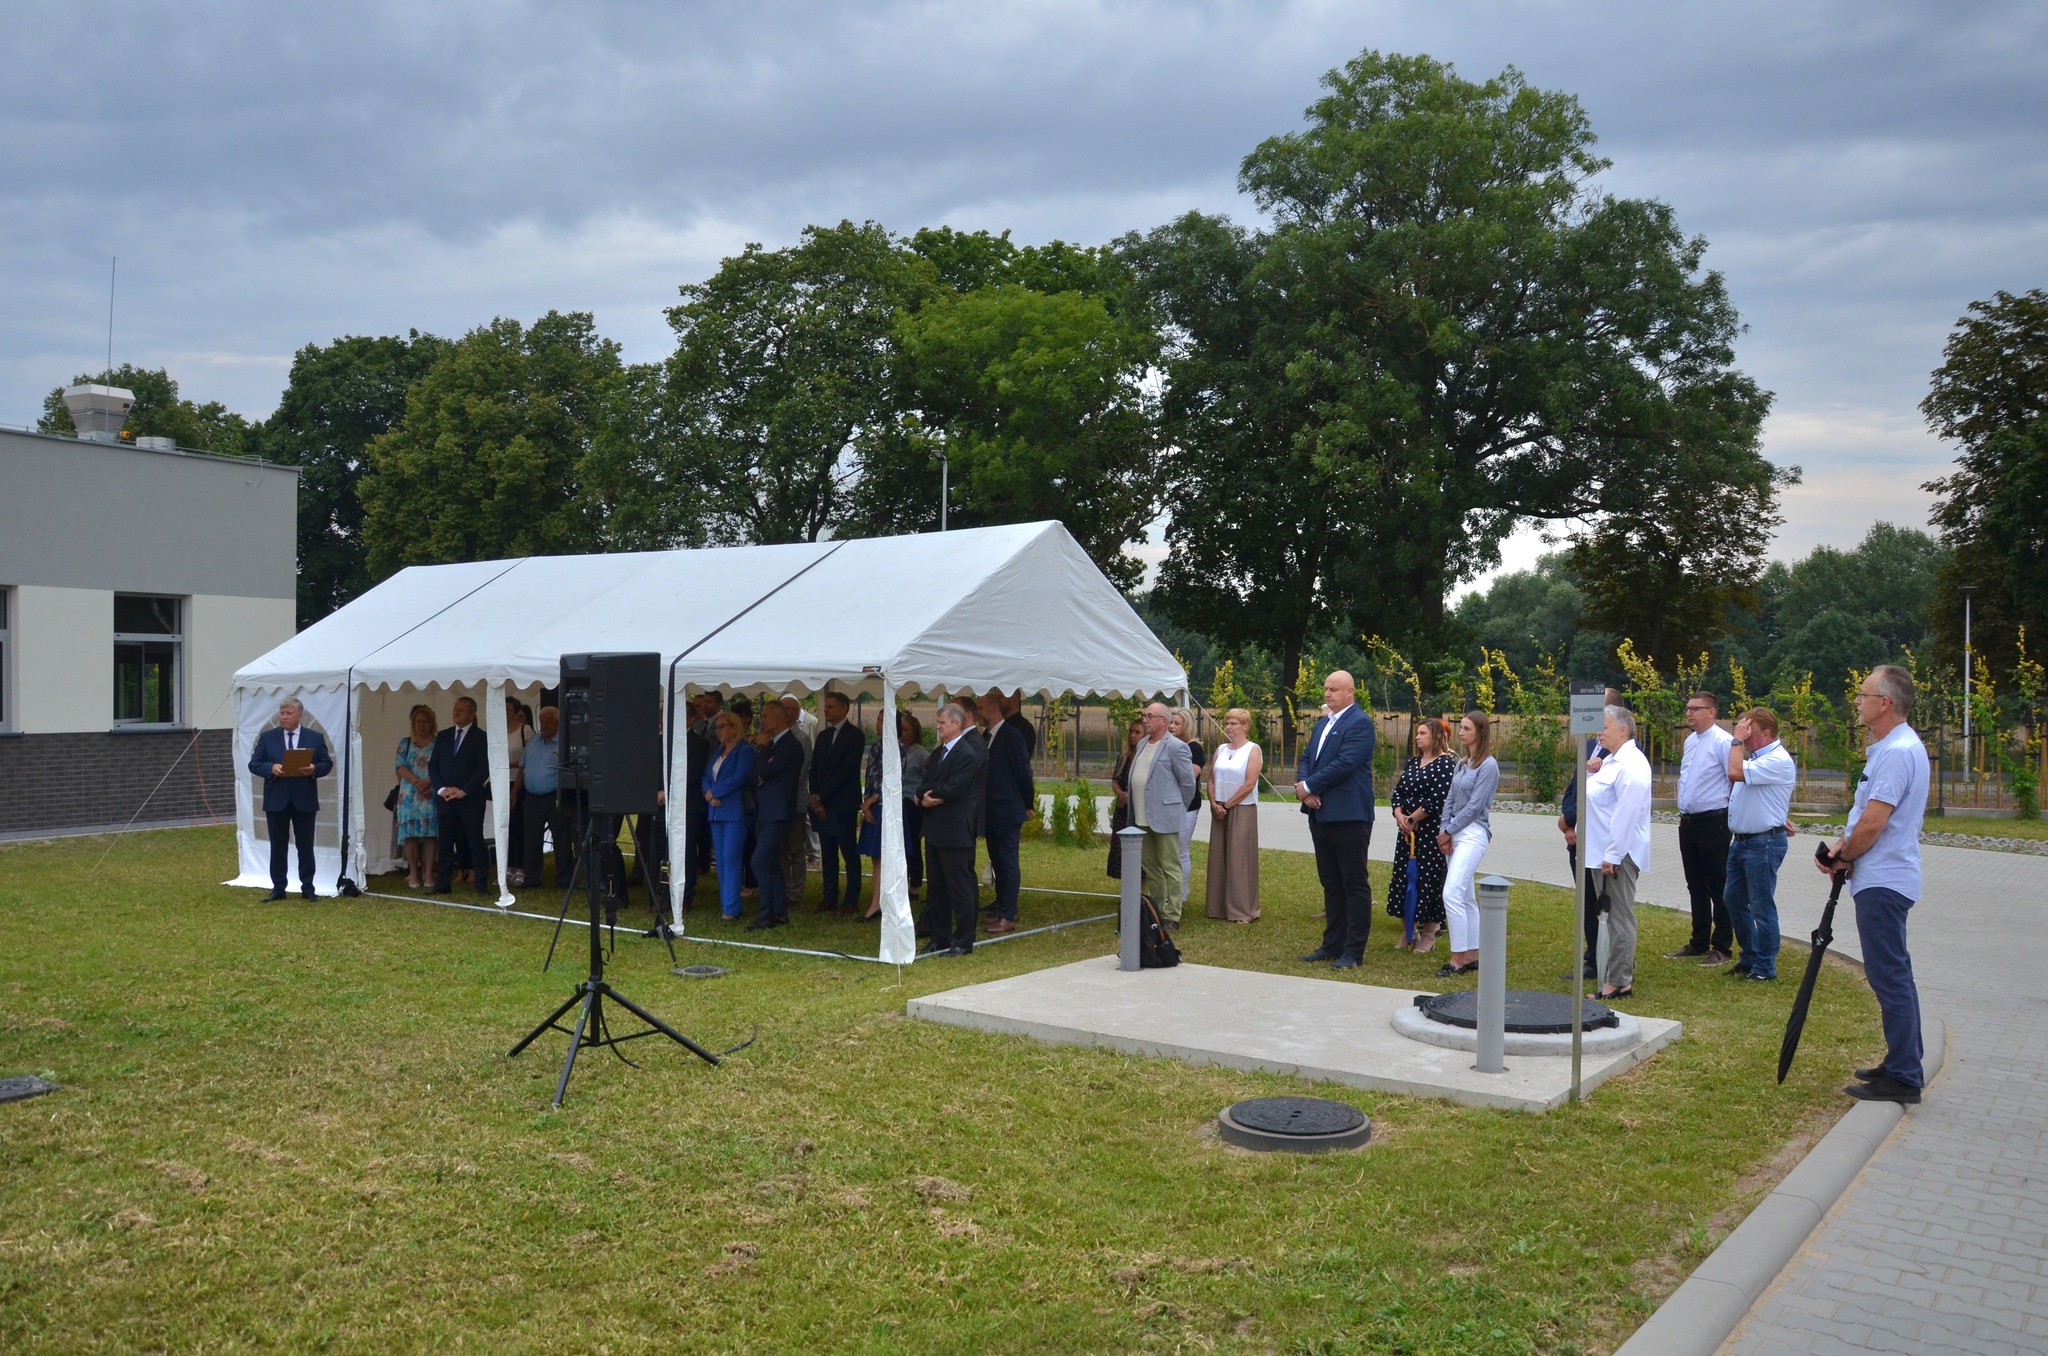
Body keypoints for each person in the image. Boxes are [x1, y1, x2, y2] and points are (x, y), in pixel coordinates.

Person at [1821, 665, 1929, 1104]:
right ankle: (1901, 1060)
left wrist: (1845, 856)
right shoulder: (1892, 748)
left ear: (1885, 703)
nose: (1859, 702)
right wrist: (1841, 855)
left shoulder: (1898, 752)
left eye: (1864, 695)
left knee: (1890, 977)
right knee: (1891, 976)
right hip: (1880, 876)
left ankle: (1904, 1075)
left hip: (1884, 880)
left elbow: (1874, 822)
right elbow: (1866, 819)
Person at [1294, 670, 1377, 969]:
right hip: (1321, 813)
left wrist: (1311, 786)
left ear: (1350, 692)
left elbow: (1346, 763)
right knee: (1331, 882)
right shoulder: (1322, 724)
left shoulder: (1360, 723)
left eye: (1334, 689)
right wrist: (1304, 788)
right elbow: (1307, 758)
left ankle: (1353, 951)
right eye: (1326, 689)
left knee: (1353, 883)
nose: (1328, 694)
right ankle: (1332, 944)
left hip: (1349, 814)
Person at [1723, 706, 1798, 982]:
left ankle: (1765, 967)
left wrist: (1735, 740)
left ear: (1766, 733)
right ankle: (1751, 956)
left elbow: (1733, 772)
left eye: (1749, 732)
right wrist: (1779, 816)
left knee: (1761, 906)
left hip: (1762, 843)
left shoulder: (1777, 759)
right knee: (1733, 899)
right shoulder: (1757, 758)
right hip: (1743, 842)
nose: (1745, 736)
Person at [1583, 705, 1652, 1000]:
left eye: (1605, 726)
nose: (1600, 732)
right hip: (1603, 853)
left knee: (1619, 917)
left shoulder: (1632, 763)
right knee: (1608, 917)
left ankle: (1620, 981)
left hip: (1617, 855)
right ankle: (1612, 975)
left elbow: (1626, 813)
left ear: (1623, 730)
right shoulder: (1611, 760)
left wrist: (1612, 855)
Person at [1559, 686, 1626, 980]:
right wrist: (1567, 821)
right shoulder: (1588, 746)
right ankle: (1592, 956)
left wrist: (1570, 819)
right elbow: (1575, 788)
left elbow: (1607, 797)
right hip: (1577, 834)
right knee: (1585, 900)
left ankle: (1610, 962)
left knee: (1604, 902)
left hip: (1600, 838)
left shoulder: (1621, 753)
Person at [1671, 690, 1737, 964]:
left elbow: (1734, 778)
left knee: (1717, 884)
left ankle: (1721, 945)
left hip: (1713, 821)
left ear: (1711, 712)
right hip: (1688, 821)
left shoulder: (1723, 742)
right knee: (1694, 884)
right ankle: (1698, 940)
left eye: (1695, 708)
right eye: (1688, 708)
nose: (1689, 713)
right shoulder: (1690, 742)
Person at [917, 702, 988, 956]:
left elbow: (954, 788)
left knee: (959, 888)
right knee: (936, 888)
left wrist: (929, 794)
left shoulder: (967, 754)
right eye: (938, 721)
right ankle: (940, 937)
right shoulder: (939, 754)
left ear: (957, 724)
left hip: (955, 831)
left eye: (942, 722)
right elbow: (923, 783)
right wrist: (923, 796)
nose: (938, 726)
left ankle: (963, 940)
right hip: (935, 830)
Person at [1435, 712, 1501, 978]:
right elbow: (1450, 799)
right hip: (1454, 832)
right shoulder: (1463, 762)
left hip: (1473, 833)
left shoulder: (1488, 766)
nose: (1460, 732)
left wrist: (1449, 830)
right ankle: (1472, 953)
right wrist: (1444, 832)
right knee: (1465, 897)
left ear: (1480, 732)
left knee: (1451, 892)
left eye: (1466, 728)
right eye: (1460, 727)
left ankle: (1457, 957)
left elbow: (1475, 807)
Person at [250, 696, 333, 900]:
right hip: (276, 798)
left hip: (303, 798)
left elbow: (326, 763)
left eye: (289, 713)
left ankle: (308, 888)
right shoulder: (268, 737)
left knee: (305, 845)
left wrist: (314, 768)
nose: (284, 717)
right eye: (282, 713)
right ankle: (278, 888)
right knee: (278, 845)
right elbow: (254, 763)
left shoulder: (314, 737)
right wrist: (271, 768)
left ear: (299, 715)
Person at [1386, 716, 1454, 952]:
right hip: (1406, 834)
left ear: (1435, 736)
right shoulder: (1413, 762)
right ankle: (1408, 930)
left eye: (1422, 733)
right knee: (1405, 878)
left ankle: (1429, 933)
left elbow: (1438, 799)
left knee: (1429, 880)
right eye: (1417, 733)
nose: (1417, 737)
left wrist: (1414, 818)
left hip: (1429, 833)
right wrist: (1399, 815)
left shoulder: (1445, 764)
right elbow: (1398, 792)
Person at [1131, 702, 1198, 928]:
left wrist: (1176, 807)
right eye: (1145, 715)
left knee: (1170, 865)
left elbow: (1188, 783)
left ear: (1163, 721)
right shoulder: (1142, 743)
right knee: (1150, 866)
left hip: (1166, 816)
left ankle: (1173, 915)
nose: (1145, 720)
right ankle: (1156, 910)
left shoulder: (1176, 747)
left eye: (1150, 716)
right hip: (1141, 816)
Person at [979, 691, 1035, 935]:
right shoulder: (987, 736)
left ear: (993, 708)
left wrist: (1028, 801)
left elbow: (1023, 771)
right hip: (991, 810)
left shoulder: (1011, 735)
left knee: (1008, 862)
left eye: (980, 707)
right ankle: (1002, 907)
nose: (978, 712)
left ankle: (1009, 914)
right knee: (998, 862)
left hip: (1008, 809)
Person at [748, 700, 804, 929]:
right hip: (765, 809)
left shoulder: (790, 746)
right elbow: (756, 774)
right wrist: (764, 757)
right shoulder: (772, 745)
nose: (762, 720)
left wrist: (762, 750)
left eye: (766, 716)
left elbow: (765, 771)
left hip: (778, 812)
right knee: (770, 862)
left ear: (780, 718)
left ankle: (766, 913)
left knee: (759, 861)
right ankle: (778, 912)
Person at [1204, 707, 1263, 923]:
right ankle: (1217, 906)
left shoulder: (1252, 749)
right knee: (1218, 857)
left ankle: (1242, 910)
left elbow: (1249, 783)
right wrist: (1213, 802)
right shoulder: (1220, 749)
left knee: (1239, 858)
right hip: (1218, 808)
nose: (1229, 727)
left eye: (1234, 723)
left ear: (1245, 726)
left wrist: (1228, 805)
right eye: (1227, 723)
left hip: (1241, 808)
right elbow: (1210, 778)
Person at [809, 691, 865, 914]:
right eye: (826, 707)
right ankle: (829, 896)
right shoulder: (823, 736)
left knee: (848, 852)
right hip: (822, 803)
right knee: (828, 852)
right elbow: (814, 768)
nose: (826, 710)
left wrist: (822, 797)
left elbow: (845, 771)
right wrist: (814, 795)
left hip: (843, 804)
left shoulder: (855, 736)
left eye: (831, 707)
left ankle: (852, 899)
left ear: (845, 708)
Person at [429, 695, 491, 896]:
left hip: (470, 800)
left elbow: (483, 768)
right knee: (446, 842)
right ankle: (443, 884)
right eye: (455, 709)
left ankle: (481, 884)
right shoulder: (444, 735)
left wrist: (463, 791)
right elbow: (433, 765)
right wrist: (441, 789)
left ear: (472, 714)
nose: (456, 713)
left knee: (474, 841)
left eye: (461, 710)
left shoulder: (481, 737)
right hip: (445, 799)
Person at [701, 711, 756, 922]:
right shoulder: (718, 752)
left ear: (734, 728)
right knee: (721, 861)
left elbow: (740, 777)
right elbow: (706, 776)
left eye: (723, 726)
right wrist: (708, 793)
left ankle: (731, 909)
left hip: (734, 811)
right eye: (717, 727)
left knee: (731, 858)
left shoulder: (744, 751)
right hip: (715, 811)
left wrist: (716, 791)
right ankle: (727, 903)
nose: (719, 730)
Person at [520, 705, 570, 888]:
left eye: (548, 721)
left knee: (561, 839)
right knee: (532, 839)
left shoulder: (563, 743)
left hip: (554, 796)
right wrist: (515, 792)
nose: (544, 725)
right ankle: (532, 877)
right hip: (532, 797)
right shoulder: (533, 741)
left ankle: (564, 878)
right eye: (542, 721)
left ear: (558, 723)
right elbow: (522, 768)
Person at [393, 704, 439, 889]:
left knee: (430, 835)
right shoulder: (405, 743)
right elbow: (400, 766)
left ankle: (428, 873)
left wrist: (428, 782)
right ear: (413, 723)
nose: (422, 725)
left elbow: (441, 766)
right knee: (410, 835)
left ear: (431, 723)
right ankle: (413, 872)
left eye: (426, 722)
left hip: (431, 791)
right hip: (410, 794)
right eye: (418, 721)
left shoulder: (438, 742)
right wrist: (418, 783)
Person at [1167, 709, 1206, 920]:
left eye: (1177, 723)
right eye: (1170, 722)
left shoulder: (1194, 748)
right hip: (1168, 805)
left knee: (1181, 850)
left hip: (1187, 805)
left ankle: (1181, 895)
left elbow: (1189, 777)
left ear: (1187, 726)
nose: (1172, 726)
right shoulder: (1169, 745)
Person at [778, 695, 815, 910]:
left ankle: (796, 892)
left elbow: (802, 771)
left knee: (795, 849)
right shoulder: (777, 737)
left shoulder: (801, 738)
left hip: (795, 802)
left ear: (792, 711)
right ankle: (784, 888)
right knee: (781, 849)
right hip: (778, 803)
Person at [1106, 715, 1144, 879]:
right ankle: (1127, 889)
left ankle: (1141, 891)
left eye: (1138, 732)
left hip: (1140, 811)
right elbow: (1115, 780)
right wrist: (1120, 794)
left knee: (1141, 851)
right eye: (1131, 731)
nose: (1133, 735)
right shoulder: (1124, 756)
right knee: (1121, 849)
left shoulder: (1146, 758)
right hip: (1123, 810)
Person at [503, 696, 533, 886]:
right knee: (505, 826)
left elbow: (528, 758)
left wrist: (509, 764)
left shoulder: (525, 730)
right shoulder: (498, 731)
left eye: (507, 710)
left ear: (515, 712)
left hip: (519, 781)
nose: (504, 713)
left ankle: (521, 867)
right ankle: (508, 866)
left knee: (518, 826)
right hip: (501, 782)